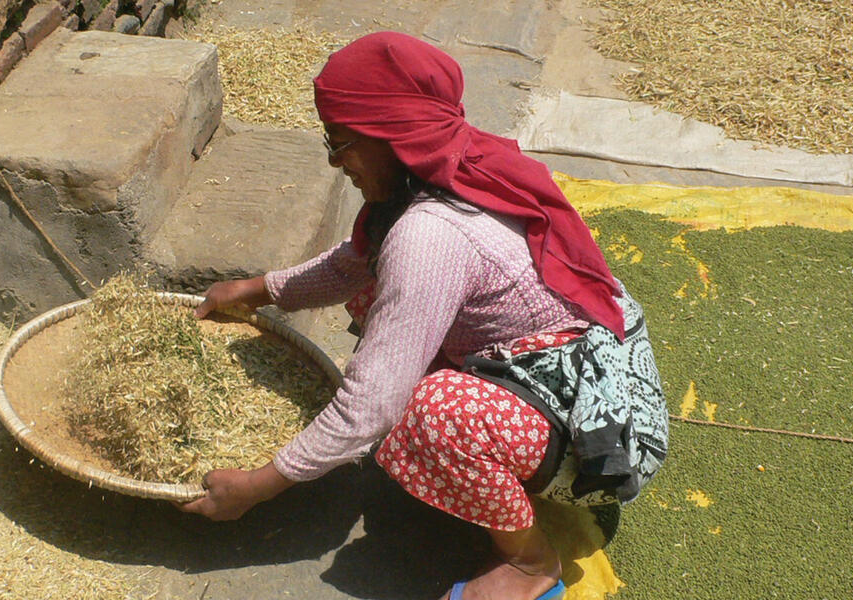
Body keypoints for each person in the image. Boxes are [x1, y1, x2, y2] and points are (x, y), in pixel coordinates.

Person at [180, 31, 667, 600]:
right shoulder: (457, 161)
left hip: (602, 436)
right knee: (379, 299)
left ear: (390, 138)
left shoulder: (430, 233)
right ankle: (501, 455)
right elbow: (352, 267)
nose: (338, 164)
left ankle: (531, 561)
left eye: (341, 144)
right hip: (559, 371)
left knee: (429, 411)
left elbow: (372, 404)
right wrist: (256, 290)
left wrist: (258, 486)